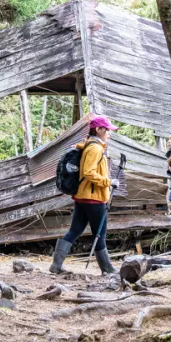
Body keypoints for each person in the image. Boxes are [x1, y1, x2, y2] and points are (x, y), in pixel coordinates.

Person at [49, 114, 119, 275]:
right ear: (99, 129)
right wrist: (109, 182)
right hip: (93, 198)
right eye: (107, 130)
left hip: (83, 196)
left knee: (75, 230)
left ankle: (56, 265)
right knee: (99, 233)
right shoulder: (95, 148)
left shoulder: (89, 145)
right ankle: (107, 269)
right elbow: (89, 172)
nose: (109, 133)